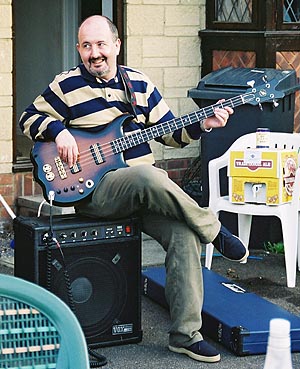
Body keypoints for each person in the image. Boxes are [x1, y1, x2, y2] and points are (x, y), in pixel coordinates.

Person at [19, 15, 248, 363]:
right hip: (97, 192)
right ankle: (215, 231)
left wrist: (202, 123)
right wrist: (58, 131)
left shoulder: (138, 84)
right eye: (85, 46)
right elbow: (27, 118)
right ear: (79, 49)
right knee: (148, 176)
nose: (93, 53)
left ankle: (185, 335)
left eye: (100, 45)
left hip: (146, 195)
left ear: (116, 46)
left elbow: (171, 132)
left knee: (184, 234)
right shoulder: (66, 86)